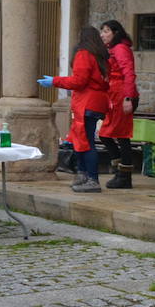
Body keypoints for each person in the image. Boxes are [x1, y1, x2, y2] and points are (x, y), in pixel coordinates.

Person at [40, 26, 111, 193]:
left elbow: (78, 81)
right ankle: (84, 175)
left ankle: (91, 179)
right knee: (83, 140)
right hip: (96, 102)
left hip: (86, 102)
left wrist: (55, 81)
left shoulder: (84, 54)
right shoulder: (101, 56)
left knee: (86, 142)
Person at [99, 19, 138, 189]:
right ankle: (119, 171)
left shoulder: (120, 49)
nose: (102, 35)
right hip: (114, 95)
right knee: (106, 134)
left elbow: (129, 73)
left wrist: (128, 98)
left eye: (106, 31)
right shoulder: (112, 49)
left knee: (121, 136)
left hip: (122, 96)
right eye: (102, 31)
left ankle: (124, 176)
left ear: (115, 32)